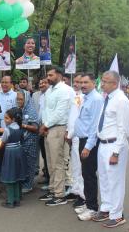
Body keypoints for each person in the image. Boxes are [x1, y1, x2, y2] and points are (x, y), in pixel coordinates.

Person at [92, 70, 129, 228]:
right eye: (102, 80)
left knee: (115, 181)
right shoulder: (107, 99)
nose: (102, 84)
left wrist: (116, 152)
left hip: (115, 145)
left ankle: (117, 214)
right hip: (103, 144)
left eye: (106, 81)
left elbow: (123, 130)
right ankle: (107, 208)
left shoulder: (121, 100)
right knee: (105, 179)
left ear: (115, 83)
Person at [71, 73, 104, 221]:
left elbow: (94, 126)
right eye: (81, 82)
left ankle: (92, 208)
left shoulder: (96, 99)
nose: (82, 85)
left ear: (93, 83)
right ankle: (89, 203)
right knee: (85, 174)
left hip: (88, 143)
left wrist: (88, 147)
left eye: (86, 82)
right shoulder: (87, 98)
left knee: (89, 175)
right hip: (82, 140)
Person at [39, 67, 72, 206]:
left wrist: (46, 125)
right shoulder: (50, 90)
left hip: (58, 128)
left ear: (59, 75)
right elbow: (47, 110)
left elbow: (60, 112)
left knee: (58, 162)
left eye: (51, 75)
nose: (48, 77)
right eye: (47, 75)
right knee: (50, 162)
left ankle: (60, 195)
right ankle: (53, 189)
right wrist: (45, 126)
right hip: (49, 129)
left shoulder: (65, 90)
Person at [0, 107, 27, 208]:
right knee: (17, 175)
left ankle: (10, 201)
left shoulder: (7, 130)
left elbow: (2, 143)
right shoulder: (20, 127)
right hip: (19, 151)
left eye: (6, 118)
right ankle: (17, 199)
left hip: (10, 153)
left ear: (13, 119)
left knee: (10, 175)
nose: (5, 120)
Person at [66, 73, 85, 204]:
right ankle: (75, 190)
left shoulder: (83, 98)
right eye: (76, 81)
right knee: (75, 166)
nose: (77, 84)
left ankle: (82, 195)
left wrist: (70, 133)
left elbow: (77, 118)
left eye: (80, 82)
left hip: (79, 135)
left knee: (80, 166)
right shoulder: (75, 96)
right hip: (73, 136)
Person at [16, 90, 39, 193]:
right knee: (23, 163)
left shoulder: (31, 110)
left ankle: (28, 185)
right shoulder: (20, 109)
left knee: (30, 163)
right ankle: (24, 183)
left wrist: (23, 125)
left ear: (26, 99)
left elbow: (36, 127)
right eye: (17, 99)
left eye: (21, 99)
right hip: (23, 141)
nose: (18, 101)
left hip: (31, 141)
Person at [32, 78, 50, 185]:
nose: (42, 84)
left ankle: (49, 177)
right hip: (37, 127)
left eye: (44, 83)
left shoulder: (52, 94)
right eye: (40, 83)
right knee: (43, 153)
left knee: (49, 155)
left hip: (48, 128)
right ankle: (46, 174)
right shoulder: (35, 95)